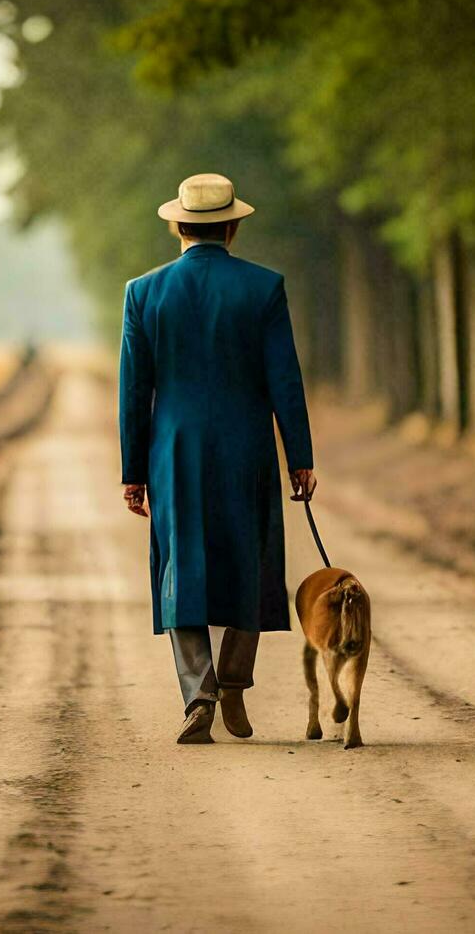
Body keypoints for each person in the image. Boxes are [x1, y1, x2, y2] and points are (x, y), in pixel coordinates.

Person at [118, 173, 316, 745]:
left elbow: (135, 391)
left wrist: (132, 471)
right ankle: (233, 681)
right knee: (248, 561)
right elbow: (285, 378)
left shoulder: (143, 292)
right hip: (246, 446)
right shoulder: (263, 287)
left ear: (178, 226)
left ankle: (198, 692)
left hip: (173, 451)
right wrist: (299, 456)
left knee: (182, 565)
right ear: (232, 226)